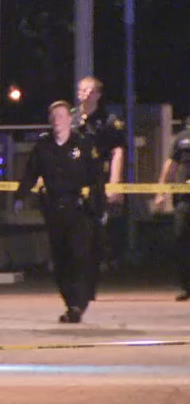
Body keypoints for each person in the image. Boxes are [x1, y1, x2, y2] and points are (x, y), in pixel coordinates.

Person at [14, 101, 105, 323]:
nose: (57, 120)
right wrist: (19, 197)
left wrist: (100, 207)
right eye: (53, 116)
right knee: (60, 259)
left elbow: (96, 178)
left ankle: (79, 302)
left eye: (61, 115)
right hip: (53, 209)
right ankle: (71, 303)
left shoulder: (82, 144)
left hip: (78, 209)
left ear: (69, 119)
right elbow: (30, 174)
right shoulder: (43, 146)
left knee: (79, 255)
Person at [71, 76, 126, 300]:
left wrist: (114, 182)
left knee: (91, 235)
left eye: (90, 90)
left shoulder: (110, 121)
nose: (84, 94)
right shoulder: (70, 118)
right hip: (71, 183)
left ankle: (88, 285)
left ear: (98, 95)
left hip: (96, 183)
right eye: (81, 90)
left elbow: (117, 152)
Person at [153, 118, 190, 301]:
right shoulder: (182, 138)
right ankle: (186, 287)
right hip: (184, 199)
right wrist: (161, 191)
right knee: (182, 239)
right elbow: (171, 165)